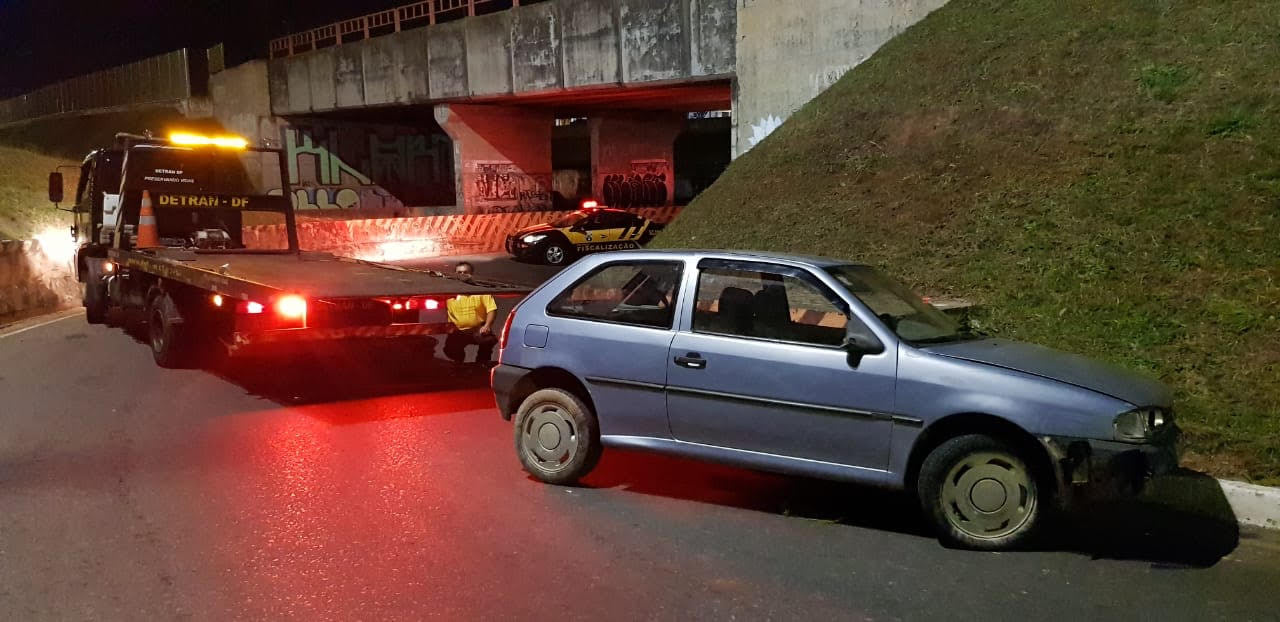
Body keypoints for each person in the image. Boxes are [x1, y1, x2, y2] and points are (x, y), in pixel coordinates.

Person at [443, 261, 499, 366]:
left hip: (477, 329)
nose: (462, 275)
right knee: (449, 350)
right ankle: (459, 363)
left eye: (465, 272)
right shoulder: (448, 292)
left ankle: (482, 363)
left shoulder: (481, 291)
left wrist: (487, 325)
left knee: (489, 340)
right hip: (458, 331)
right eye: (459, 272)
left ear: (471, 274)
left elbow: (492, 309)